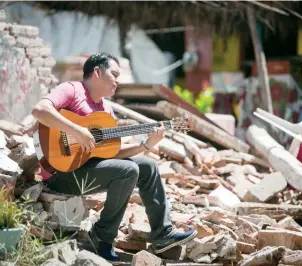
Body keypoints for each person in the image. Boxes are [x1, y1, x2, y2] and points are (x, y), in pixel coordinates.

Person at [31, 53, 197, 262]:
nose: (118, 81)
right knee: (128, 170)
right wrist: (77, 131)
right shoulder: (72, 90)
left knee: (147, 166)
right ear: (97, 72)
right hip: (60, 173)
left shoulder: (106, 110)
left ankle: (162, 234)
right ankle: (102, 236)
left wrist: (145, 145)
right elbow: (40, 110)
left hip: (86, 168)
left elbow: (111, 154)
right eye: (115, 74)